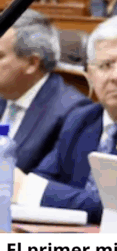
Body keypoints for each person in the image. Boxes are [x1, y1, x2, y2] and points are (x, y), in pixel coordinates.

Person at [12, 16, 117, 224]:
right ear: (89, 73)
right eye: (105, 65)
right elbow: (44, 177)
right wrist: (30, 188)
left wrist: (30, 189)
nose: (116, 76)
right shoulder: (80, 119)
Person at [0, 10, 90, 173]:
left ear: (32, 63)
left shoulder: (72, 112)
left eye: (0, 56)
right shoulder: (6, 93)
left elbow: (46, 179)